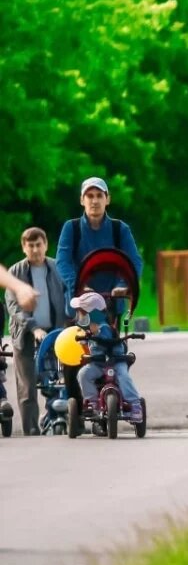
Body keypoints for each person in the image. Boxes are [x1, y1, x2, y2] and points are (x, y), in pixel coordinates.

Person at [55, 176, 144, 406]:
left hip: (112, 304)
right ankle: (79, 404)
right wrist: (79, 285)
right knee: (77, 357)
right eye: (90, 196)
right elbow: (62, 261)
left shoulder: (119, 229)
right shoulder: (71, 228)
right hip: (80, 305)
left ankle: (120, 396)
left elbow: (133, 261)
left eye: (99, 196)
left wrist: (123, 284)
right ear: (82, 200)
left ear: (108, 199)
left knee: (113, 353)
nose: (94, 201)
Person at [5, 228, 70, 436]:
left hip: (56, 333)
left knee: (60, 378)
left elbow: (68, 295)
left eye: (38, 244)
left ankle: (62, 418)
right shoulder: (15, 272)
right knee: (27, 387)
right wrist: (33, 328)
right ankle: (31, 429)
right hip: (25, 336)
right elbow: (13, 306)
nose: (35, 249)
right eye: (30, 245)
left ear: (46, 245)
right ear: (24, 248)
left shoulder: (57, 268)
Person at [72, 290, 144, 422]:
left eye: (82, 313)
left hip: (116, 362)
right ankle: (92, 401)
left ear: (93, 315)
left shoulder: (105, 328)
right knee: (83, 374)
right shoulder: (87, 330)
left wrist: (96, 334)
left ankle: (135, 404)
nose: (79, 317)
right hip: (98, 364)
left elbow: (106, 339)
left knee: (124, 376)